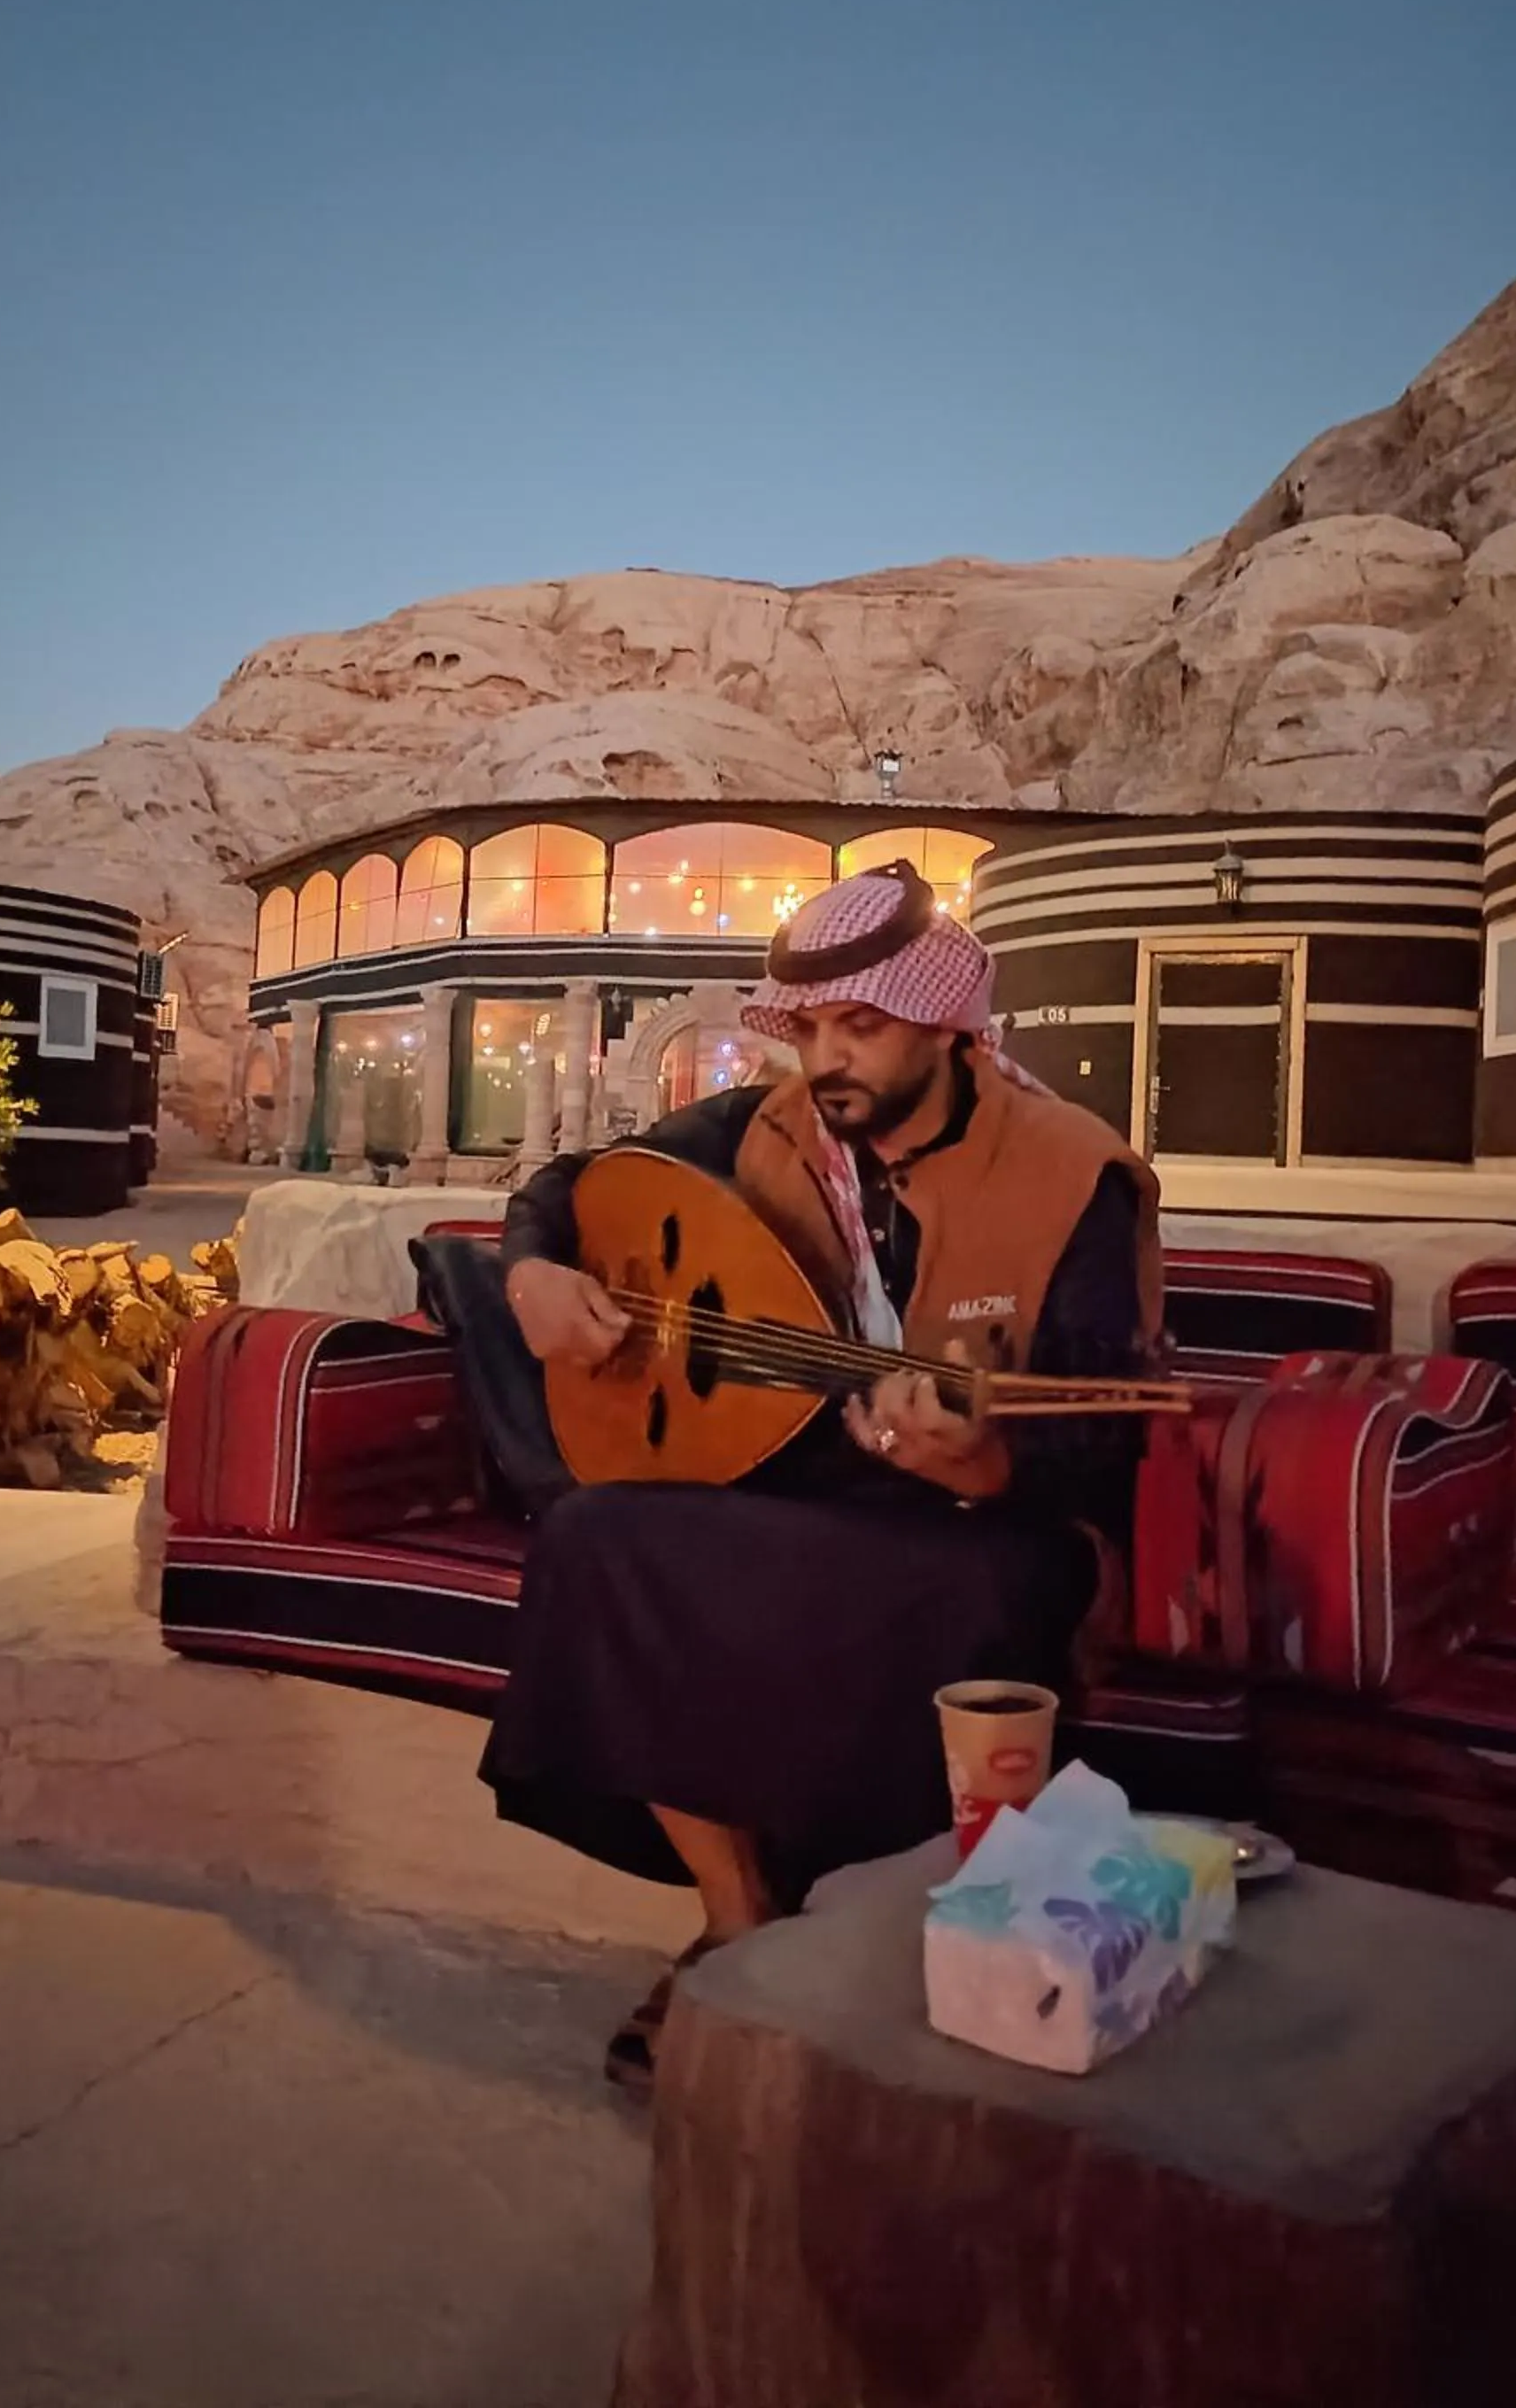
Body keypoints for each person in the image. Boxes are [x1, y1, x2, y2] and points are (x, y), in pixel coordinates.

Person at [480, 858, 1163, 2091]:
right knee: (599, 1535)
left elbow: (1104, 1431)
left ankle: (917, 1957)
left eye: (862, 1026)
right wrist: (529, 1273)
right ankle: (739, 1921)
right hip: (813, 1482)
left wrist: (986, 1448)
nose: (828, 1059)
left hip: (1001, 1519)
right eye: (808, 1030)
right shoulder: (770, 1130)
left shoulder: (1073, 1174)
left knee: (964, 1607)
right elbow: (567, 1187)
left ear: (948, 1026)